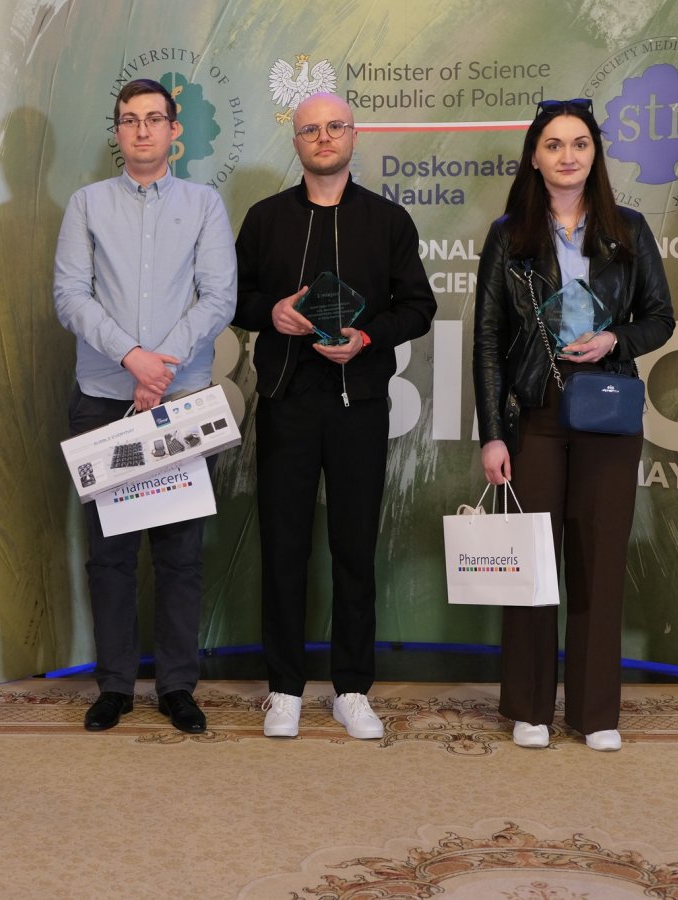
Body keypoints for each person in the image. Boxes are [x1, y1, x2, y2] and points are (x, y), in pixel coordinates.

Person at [473, 98, 674, 751]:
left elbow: (660, 318)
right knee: (534, 563)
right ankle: (529, 708)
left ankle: (594, 714)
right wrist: (493, 434)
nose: (568, 156)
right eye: (554, 145)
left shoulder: (627, 229)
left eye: (580, 144)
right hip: (535, 412)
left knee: (600, 560)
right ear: (534, 157)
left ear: (595, 154)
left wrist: (614, 338)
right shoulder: (509, 236)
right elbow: (487, 339)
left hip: (606, 410)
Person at [234, 93, 436, 740]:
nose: (323, 138)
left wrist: (368, 337)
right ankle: (284, 689)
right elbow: (233, 297)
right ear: (295, 142)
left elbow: (419, 307)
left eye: (335, 127)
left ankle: (352, 688)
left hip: (359, 407)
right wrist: (272, 313)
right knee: (283, 548)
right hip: (286, 402)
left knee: (354, 548)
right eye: (310, 130)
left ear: (353, 135)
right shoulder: (266, 218)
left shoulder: (387, 220)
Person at [54, 78, 235, 734]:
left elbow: (219, 297)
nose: (141, 130)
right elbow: (70, 296)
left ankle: (178, 685)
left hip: (180, 401)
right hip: (104, 401)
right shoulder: (86, 204)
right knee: (110, 555)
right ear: (118, 131)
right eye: (129, 119)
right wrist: (132, 357)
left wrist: (161, 367)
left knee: (180, 554)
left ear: (173, 130)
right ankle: (115, 685)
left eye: (153, 119)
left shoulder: (204, 204)